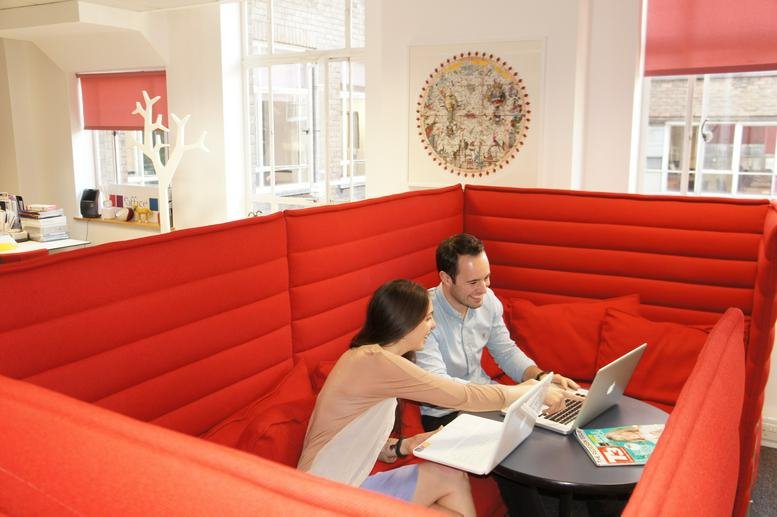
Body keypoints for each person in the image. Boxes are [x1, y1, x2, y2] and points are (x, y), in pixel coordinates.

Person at [298, 279, 574, 516]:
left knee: (451, 476)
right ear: (405, 323)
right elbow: (458, 394)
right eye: (428, 318)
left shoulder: (371, 359)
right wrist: (530, 391)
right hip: (326, 495)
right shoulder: (375, 361)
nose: (433, 326)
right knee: (449, 492)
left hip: (345, 482)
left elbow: (351, 436)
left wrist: (402, 446)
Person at [415, 233, 581, 431]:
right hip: (447, 413)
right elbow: (440, 389)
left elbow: (506, 352)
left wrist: (540, 378)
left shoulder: (487, 300)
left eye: (486, 278)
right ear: (446, 278)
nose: (483, 289)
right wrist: (516, 393)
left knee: (559, 424)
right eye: (473, 282)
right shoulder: (422, 317)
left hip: (492, 400)